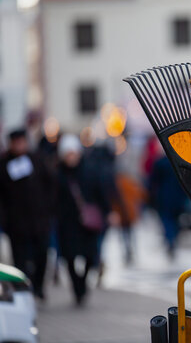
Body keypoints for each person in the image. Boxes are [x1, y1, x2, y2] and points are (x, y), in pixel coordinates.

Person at [56, 134, 110, 305]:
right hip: (67, 222)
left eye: (73, 153)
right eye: (68, 154)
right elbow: (52, 198)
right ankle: (77, 287)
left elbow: (100, 193)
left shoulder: (90, 171)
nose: (71, 157)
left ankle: (83, 283)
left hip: (88, 223)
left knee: (89, 256)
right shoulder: (58, 174)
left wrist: (107, 211)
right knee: (69, 257)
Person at [0, 129, 54, 300]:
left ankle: (38, 287)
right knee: (20, 259)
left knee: (42, 255)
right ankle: (24, 289)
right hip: (17, 223)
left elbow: (51, 184)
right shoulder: (3, 164)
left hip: (39, 220)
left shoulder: (37, 160)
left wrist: (48, 209)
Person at [149, 151, 189, 259]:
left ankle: (170, 239)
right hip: (178, 196)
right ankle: (173, 238)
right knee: (175, 220)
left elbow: (153, 180)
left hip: (164, 196)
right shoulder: (179, 162)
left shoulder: (160, 162)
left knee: (167, 220)